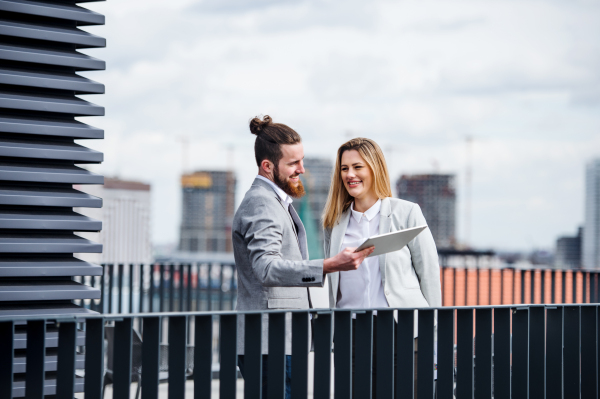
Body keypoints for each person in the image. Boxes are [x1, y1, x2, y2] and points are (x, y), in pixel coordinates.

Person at [233, 116, 375, 399]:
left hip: (279, 340)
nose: (302, 169)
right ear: (267, 166)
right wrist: (330, 265)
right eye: (293, 164)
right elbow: (267, 267)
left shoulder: (274, 201)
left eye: (302, 160)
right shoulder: (262, 203)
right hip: (269, 342)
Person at [322, 137, 442, 396]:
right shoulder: (334, 223)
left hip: (400, 330)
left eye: (357, 167)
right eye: (344, 169)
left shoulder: (407, 212)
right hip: (350, 332)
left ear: (374, 168)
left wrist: (430, 331)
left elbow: (429, 274)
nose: (350, 175)